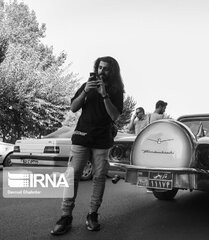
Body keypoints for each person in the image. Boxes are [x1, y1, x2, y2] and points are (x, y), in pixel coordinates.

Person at [51, 56, 124, 235]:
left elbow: (115, 116)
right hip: (82, 136)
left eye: (106, 69)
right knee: (72, 175)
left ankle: (92, 214)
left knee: (99, 177)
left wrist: (104, 94)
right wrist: (85, 91)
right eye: (99, 67)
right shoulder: (87, 85)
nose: (101, 71)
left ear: (112, 71)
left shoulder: (116, 91)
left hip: (102, 140)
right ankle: (66, 216)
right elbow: (73, 108)